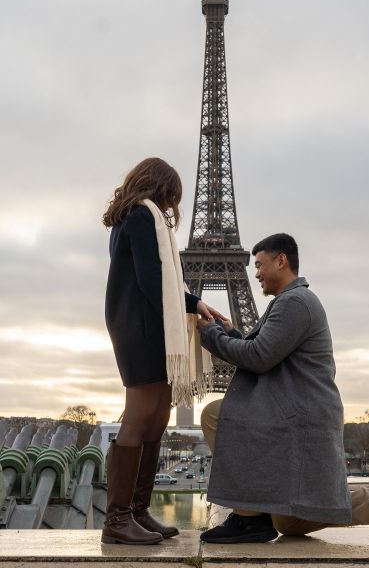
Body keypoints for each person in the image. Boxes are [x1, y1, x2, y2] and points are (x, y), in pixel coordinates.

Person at [197, 233, 369, 543]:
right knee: (290, 520)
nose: (255, 272)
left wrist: (212, 337)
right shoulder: (292, 301)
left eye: (259, 264)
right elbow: (269, 351)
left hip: (297, 417)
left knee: (215, 415)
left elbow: (259, 357)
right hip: (294, 410)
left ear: (281, 260)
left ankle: (249, 519)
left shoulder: (295, 302)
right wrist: (231, 333)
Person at [102, 157, 224, 545]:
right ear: (161, 187)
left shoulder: (137, 217)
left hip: (148, 325)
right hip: (140, 329)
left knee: (158, 416)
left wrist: (195, 303)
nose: (173, 205)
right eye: (172, 195)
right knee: (140, 415)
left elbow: (160, 279)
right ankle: (117, 519)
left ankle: (137, 511)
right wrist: (187, 306)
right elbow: (152, 277)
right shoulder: (140, 216)